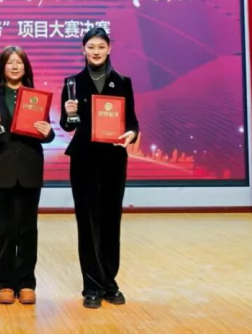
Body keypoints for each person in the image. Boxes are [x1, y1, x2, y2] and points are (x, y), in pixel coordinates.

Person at [60, 27, 139, 309]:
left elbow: (132, 122)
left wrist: (132, 134)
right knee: (87, 221)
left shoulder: (123, 82)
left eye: (101, 47)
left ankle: (109, 283)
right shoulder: (72, 83)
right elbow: (67, 125)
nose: (96, 52)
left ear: (109, 49)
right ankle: (91, 286)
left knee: (110, 220)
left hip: (114, 160)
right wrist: (68, 114)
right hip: (84, 160)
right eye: (91, 47)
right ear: (83, 49)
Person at [0, 46, 54, 306]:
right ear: (2, 67)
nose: (14, 66)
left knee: (28, 229)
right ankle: (5, 283)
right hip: (3, 169)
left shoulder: (36, 97)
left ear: (25, 67)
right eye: (9, 62)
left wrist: (48, 132)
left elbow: (47, 134)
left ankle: (27, 282)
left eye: (18, 62)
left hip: (30, 168)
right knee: (6, 228)